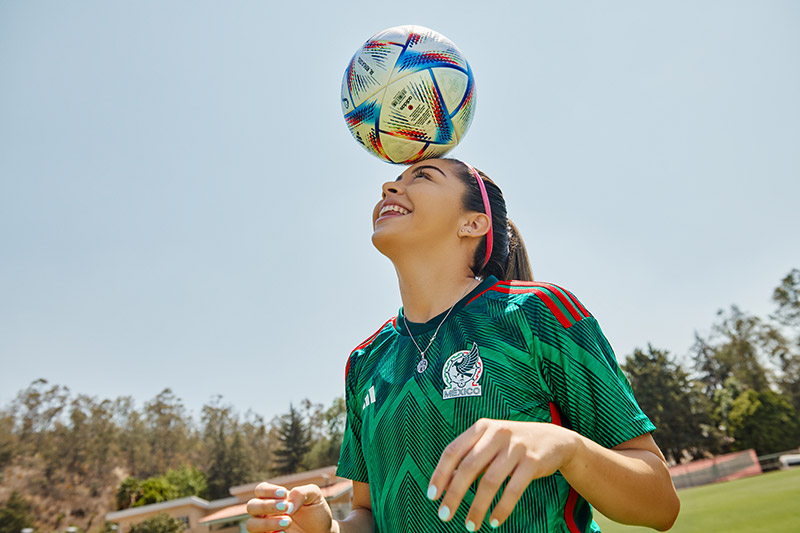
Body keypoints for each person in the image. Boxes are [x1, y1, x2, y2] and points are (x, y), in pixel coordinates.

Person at [246, 158, 680, 532]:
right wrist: (329, 529)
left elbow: (660, 504)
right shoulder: (365, 362)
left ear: (472, 223)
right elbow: (369, 514)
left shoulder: (538, 313)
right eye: (395, 178)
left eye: (424, 176)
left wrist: (566, 447)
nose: (389, 185)